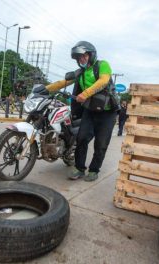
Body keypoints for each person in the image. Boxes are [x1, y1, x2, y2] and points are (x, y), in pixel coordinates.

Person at [46, 41, 117, 182]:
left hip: (107, 113)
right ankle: (79, 168)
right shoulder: (80, 73)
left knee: (101, 144)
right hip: (90, 111)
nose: (81, 60)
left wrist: (85, 93)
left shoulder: (102, 65)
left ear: (91, 55)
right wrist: (44, 89)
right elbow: (62, 83)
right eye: (79, 58)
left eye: (83, 56)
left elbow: (103, 81)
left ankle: (94, 170)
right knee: (81, 138)